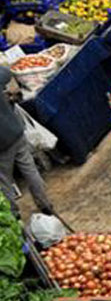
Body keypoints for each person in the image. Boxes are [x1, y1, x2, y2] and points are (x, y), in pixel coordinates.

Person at [0, 67, 53, 218]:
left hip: (1, 146)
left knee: (5, 182)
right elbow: (5, 72)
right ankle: (45, 204)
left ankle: (14, 215)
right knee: (30, 169)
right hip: (15, 132)